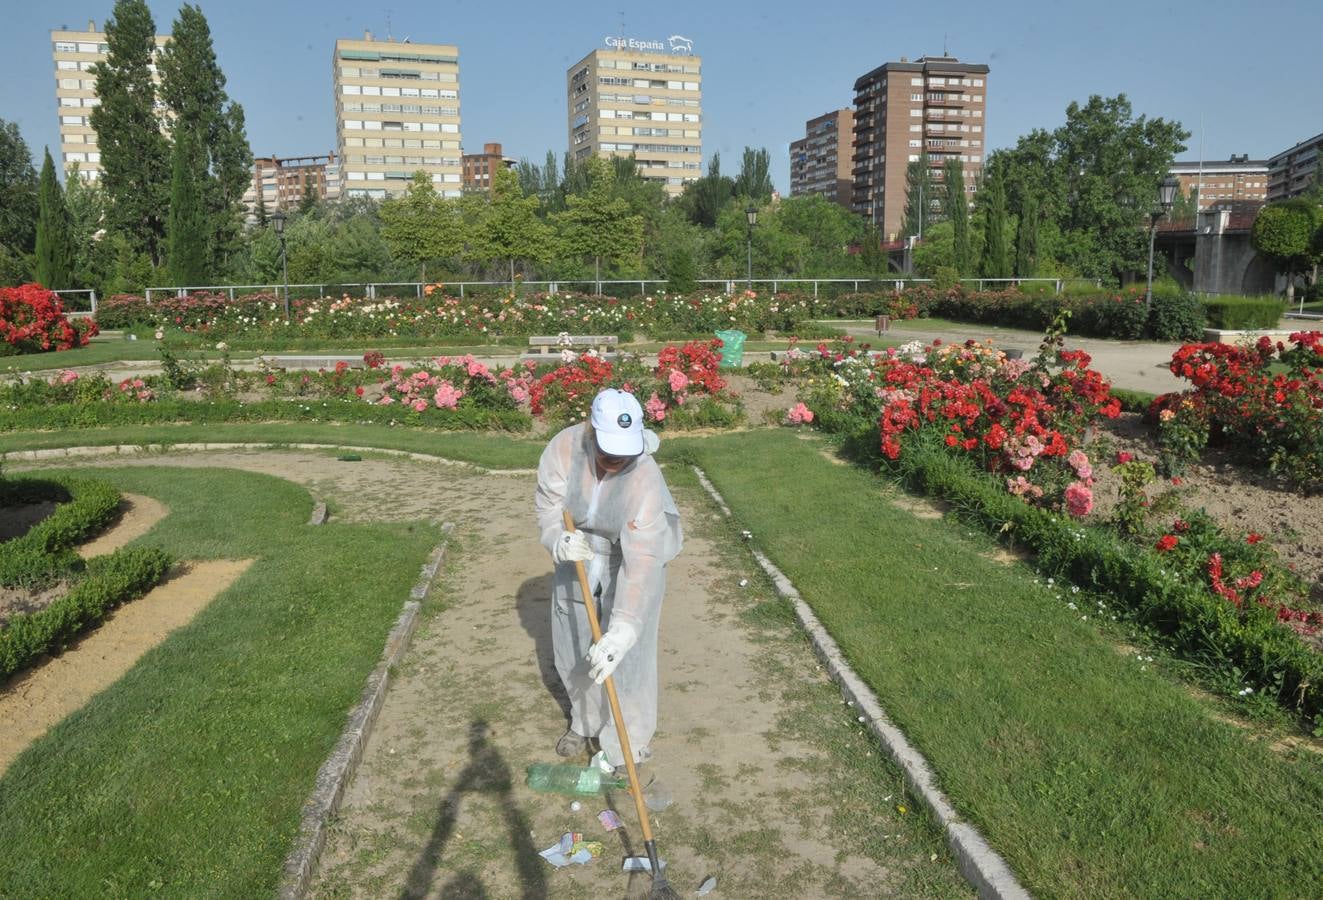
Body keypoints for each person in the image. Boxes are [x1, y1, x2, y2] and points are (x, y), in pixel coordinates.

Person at [534, 388, 682, 774]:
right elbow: (548, 506)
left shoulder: (644, 478)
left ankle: (626, 741)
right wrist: (557, 540)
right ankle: (584, 722)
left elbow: (644, 561)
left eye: (623, 454)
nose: (616, 461)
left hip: (631, 554)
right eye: (608, 452)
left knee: (627, 655)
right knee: (574, 641)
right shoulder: (564, 448)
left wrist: (624, 630)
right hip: (577, 548)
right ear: (592, 432)